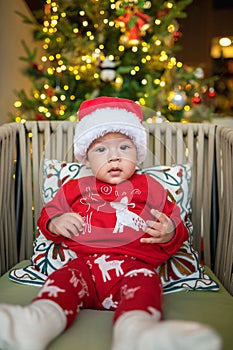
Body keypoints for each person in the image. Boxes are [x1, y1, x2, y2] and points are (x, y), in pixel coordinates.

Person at [0, 97, 221, 350]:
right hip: (84, 267)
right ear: (86, 159)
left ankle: (137, 332)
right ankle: (37, 322)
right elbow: (47, 215)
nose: (114, 156)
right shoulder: (76, 187)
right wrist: (56, 222)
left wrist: (169, 231)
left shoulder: (151, 187)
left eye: (124, 148)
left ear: (138, 154)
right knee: (63, 281)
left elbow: (176, 223)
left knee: (146, 284)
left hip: (136, 268)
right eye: (101, 149)